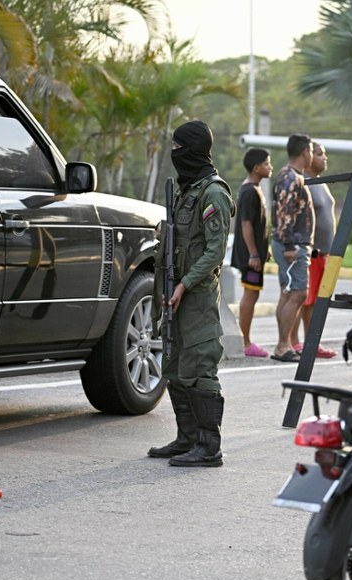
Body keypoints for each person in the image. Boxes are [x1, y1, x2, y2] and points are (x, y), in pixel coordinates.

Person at [149, 119, 234, 468]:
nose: (175, 153)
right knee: (173, 364)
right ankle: (187, 438)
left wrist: (185, 284)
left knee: (199, 366)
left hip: (196, 294)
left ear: (194, 149)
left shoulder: (213, 192)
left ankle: (208, 445)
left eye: (179, 146)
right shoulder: (188, 190)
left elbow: (215, 252)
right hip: (175, 291)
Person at [290, 141, 337, 358]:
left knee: (316, 302)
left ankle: (312, 343)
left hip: (324, 254)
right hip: (310, 252)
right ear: (307, 157)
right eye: (319, 154)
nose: (323, 158)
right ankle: (295, 342)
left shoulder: (322, 183)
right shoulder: (303, 183)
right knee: (302, 299)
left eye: (324, 154)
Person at [269, 133, 314, 363]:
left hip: (292, 242)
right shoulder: (290, 178)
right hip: (292, 244)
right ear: (305, 151)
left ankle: (283, 344)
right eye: (312, 151)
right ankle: (282, 345)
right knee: (297, 293)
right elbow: (284, 213)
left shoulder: (292, 176)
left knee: (288, 293)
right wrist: (288, 245)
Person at [230, 147, 273, 357]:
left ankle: (246, 340)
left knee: (253, 293)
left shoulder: (254, 188)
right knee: (251, 293)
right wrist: (254, 254)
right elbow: (246, 225)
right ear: (256, 168)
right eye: (267, 163)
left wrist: (265, 249)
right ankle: (245, 342)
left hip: (255, 255)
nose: (270, 167)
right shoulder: (249, 191)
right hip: (250, 258)